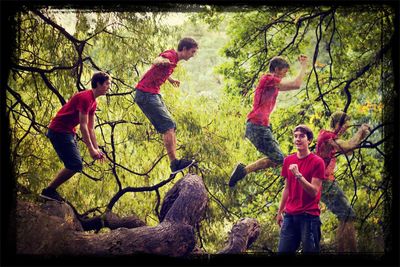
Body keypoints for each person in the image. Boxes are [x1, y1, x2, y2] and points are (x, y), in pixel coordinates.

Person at [229, 55, 309, 187]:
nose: (283, 76)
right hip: (257, 126)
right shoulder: (268, 79)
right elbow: (296, 84)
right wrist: (304, 66)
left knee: (276, 159)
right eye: (283, 73)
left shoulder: (271, 83)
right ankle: (243, 170)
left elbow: (293, 84)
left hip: (259, 127)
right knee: (281, 159)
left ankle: (243, 171)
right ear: (277, 69)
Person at [40, 72, 111, 202]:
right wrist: (90, 149)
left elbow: (90, 128)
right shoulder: (85, 97)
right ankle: (48, 191)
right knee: (75, 164)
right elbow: (83, 126)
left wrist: (96, 149)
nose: (109, 87)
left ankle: (49, 191)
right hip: (59, 131)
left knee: (74, 164)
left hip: (68, 132)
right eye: (107, 84)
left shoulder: (93, 103)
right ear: (98, 84)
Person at [134, 37, 198, 174]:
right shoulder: (170, 56)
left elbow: (161, 69)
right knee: (168, 126)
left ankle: (175, 162)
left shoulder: (174, 59)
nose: (193, 55)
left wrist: (170, 79)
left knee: (171, 125)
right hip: (146, 94)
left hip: (152, 93)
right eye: (192, 52)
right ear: (185, 49)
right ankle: (174, 163)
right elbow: (157, 61)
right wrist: (162, 61)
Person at [316, 111, 370, 252]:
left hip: (325, 182)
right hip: (325, 182)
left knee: (345, 216)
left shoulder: (330, 137)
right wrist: (360, 131)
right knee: (348, 215)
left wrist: (362, 135)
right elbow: (348, 147)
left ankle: (343, 251)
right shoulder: (328, 136)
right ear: (338, 123)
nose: (346, 128)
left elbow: (349, 150)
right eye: (345, 125)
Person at [276, 125, 326, 253]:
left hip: (308, 216)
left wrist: (298, 175)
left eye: (302, 136)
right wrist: (280, 211)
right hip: (290, 216)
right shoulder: (288, 160)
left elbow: (314, 191)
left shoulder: (318, 162)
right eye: (295, 136)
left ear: (309, 140)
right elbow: (287, 188)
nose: (298, 139)